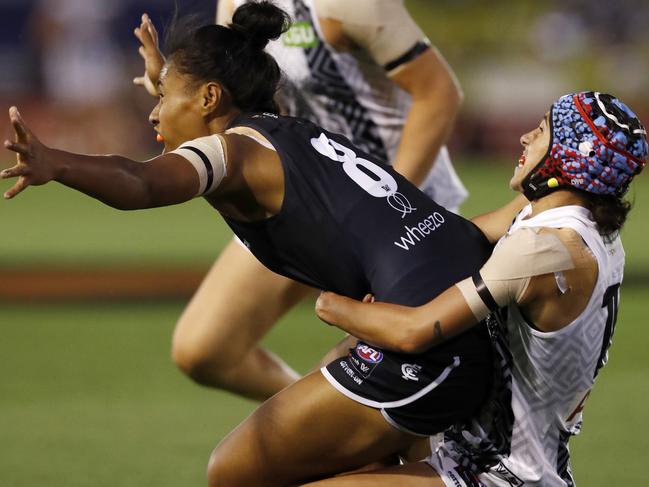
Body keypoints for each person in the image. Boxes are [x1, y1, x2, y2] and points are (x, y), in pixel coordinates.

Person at [3, 3, 516, 484]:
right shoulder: (284, 129)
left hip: (429, 343)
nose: (154, 115)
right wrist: (170, 77)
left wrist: (59, 164)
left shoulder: (236, 155)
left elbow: (141, 183)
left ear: (209, 98)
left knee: (234, 472)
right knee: (323, 431)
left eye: (163, 98)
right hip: (450, 313)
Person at [133, 0, 467, 400]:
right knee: (204, 349)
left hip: (393, 205)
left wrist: (387, 202)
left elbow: (438, 93)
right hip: (298, 190)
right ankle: (317, 420)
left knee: (394, 383)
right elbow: (235, 95)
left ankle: (351, 428)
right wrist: (168, 85)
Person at [309, 91, 647, 486]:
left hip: (498, 474)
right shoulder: (581, 228)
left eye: (541, 132)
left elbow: (416, 330)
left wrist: (333, 304)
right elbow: (457, 241)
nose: (524, 138)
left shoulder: (544, 248)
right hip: (494, 457)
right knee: (343, 453)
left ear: (568, 157)